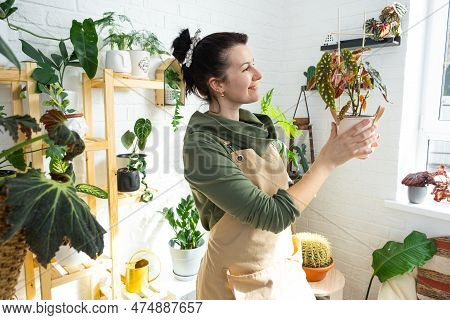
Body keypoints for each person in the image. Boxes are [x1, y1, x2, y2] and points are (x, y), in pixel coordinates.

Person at [171, 28, 379, 300]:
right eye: (246, 68)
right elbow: (272, 214)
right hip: (234, 283)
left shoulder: (256, 128)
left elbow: (283, 193)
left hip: (280, 268)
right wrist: (328, 160)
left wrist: (345, 150)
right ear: (217, 84)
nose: (258, 75)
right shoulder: (201, 145)